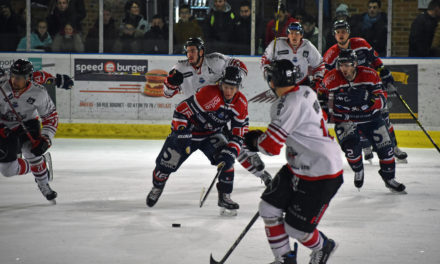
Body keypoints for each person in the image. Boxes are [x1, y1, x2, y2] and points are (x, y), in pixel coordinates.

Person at [244, 59, 343, 264]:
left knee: (296, 229)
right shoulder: (306, 92)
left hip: (322, 173)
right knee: (268, 208)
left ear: (272, 81)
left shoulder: (285, 103)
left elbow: (270, 147)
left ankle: (324, 246)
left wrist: (254, 141)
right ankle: (284, 259)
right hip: (301, 164)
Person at [163, 37, 272, 186]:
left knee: (234, 143)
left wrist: (234, 78)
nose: (190, 54)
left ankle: (255, 162)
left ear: (201, 51)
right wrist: (170, 83)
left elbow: (240, 66)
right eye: (188, 51)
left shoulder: (216, 60)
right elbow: (167, 93)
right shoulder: (180, 68)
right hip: (197, 116)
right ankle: (262, 174)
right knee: (228, 151)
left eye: (193, 51)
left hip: (219, 110)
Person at [146, 66, 248, 216]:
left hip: (211, 135)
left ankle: (225, 197)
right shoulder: (209, 94)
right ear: (220, 84)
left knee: (227, 161)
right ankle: (157, 186)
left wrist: (231, 150)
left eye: (232, 88)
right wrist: (182, 132)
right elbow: (181, 111)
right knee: (165, 165)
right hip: (190, 132)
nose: (228, 91)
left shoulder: (241, 103)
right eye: (226, 87)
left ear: (238, 87)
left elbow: (240, 132)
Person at [321, 49, 406, 193]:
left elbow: (383, 101)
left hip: (371, 118)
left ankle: (389, 178)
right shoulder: (331, 79)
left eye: (347, 65)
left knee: (387, 149)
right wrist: (330, 112)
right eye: (341, 65)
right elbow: (322, 101)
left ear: (355, 64)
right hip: (346, 120)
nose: (344, 69)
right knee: (351, 149)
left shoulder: (370, 74)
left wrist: (369, 100)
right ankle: (358, 169)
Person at [323, 19, 407, 163]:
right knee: (357, 120)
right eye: (338, 32)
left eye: (344, 31)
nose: (341, 34)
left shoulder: (361, 43)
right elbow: (326, 78)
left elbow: (375, 59)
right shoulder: (330, 55)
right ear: (334, 35)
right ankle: (366, 147)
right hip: (349, 91)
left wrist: (385, 74)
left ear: (348, 32)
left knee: (384, 117)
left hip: (369, 86)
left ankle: (394, 147)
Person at [0, 59, 58, 203]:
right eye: (13, 76)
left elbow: (50, 117)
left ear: (28, 78)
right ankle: (38, 165)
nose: (14, 80)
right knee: (8, 171)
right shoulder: (1, 86)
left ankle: (44, 185)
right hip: (4, 128)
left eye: (19, 78)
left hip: (27, 125)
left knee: (32, 151)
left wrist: (46, 138)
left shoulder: (39, 92)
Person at [261, 22, 325, 89]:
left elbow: (319, 64)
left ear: (301, 35)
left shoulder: (308, 46)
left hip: (302, 82)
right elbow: (265, 59)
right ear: (288, 35)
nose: (294, 36)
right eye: (291, 33)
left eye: (297, 33)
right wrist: (267, 70)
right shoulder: (277, 44)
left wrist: (317, 79)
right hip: (283, 83)